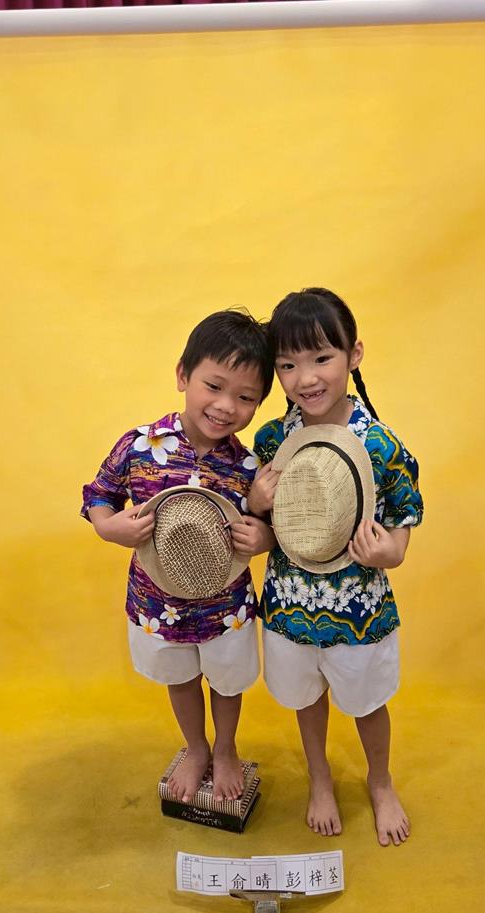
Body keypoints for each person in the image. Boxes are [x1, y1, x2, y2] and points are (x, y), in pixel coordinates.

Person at [249, 288, 423, 846]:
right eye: (288, 365)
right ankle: (319, 776)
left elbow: (401, 527)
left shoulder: (380, 446)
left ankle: (380, 779)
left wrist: (387, 553)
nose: (306, 378)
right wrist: (255, 501)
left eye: (322, 357)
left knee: (367, 700)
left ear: (354, 354)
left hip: (357, 605)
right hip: (291, 598)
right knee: (305, 696)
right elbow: (264, 523)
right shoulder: (273, 439)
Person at [81, 310, 274, 804]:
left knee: (227, 682)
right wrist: (108, 526)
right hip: (157, 602)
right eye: (214, 386)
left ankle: (226, 748)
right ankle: (196, 747)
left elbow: (270, 526)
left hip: (225, 604)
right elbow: (100, 493)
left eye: (246, 397)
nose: (226, 406)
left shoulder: (249, 467)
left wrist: (264, 538)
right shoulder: (139, 446)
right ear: (184, 375)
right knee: (180, 678)